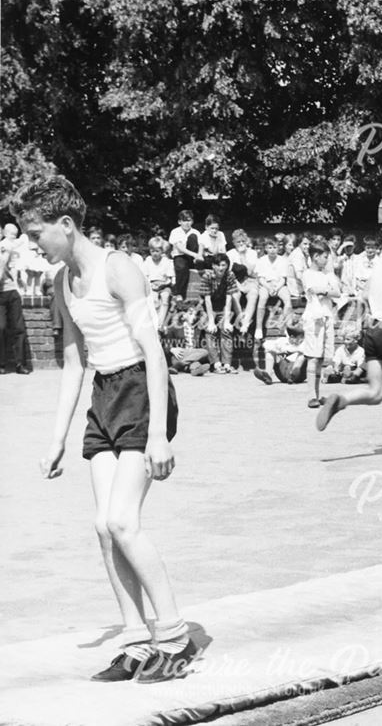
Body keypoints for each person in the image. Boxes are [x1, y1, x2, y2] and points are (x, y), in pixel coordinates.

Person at [10, 175, 197, 683]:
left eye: (35, 233)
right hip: (104, 396)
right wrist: (56, 440)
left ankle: (176, 639)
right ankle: (136, 641)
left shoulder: (119, 268)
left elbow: (154, 354)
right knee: (102, 525)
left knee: (122, 522)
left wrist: (158, 432)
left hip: (141, 393)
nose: (31, 243)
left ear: (65, 226)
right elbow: (74, 364)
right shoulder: (60, 281)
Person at [315, 220, 382, 457]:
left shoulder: (381, 262)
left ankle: (340, 400)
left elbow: (364, 295)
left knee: (376, 392)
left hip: (373, 330)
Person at [301, 243, 339, 406]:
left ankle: (317, 394)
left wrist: (325, 290)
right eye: (325, 257)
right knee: (313, 357)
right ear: (315, 257)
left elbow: (337, 292)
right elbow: (313, 289)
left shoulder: (329, 274)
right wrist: (326, 290)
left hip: (327, 316)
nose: (327, 260)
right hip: (314, 318)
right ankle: (311, 396)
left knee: (323, 357)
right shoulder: (307, 274)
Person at [200, 253, 239, 373]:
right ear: (213, 266)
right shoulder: (207, 276)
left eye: (223, 265)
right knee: (209, 330)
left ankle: (227, 364)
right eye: (218, 265)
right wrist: (211, 321)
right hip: (208, 307)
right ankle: (216, 364)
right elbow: (207, 300)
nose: (221, 268)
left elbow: (229, 299)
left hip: (223, 306)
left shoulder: (230, 275)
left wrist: (226, 321)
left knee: (225, 329)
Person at [0, 224, 30, 373]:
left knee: (19, 328)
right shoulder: (3, 249)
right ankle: (1, 364)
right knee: (1, 327)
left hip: (12, 292)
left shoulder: (7, 247)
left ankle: (20, 364)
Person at [252, 236, 291, 341]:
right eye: (270, 247)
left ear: (278, 248)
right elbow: (261, 279)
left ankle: (284, 326)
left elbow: (283, 279)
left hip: (279, 285)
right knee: (263, 298)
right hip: (266, 284)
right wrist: (269, 287)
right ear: (266, 249)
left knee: (287, 300)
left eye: (274, 247)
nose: (272, 250)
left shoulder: (283, 260)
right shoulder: (262, 260)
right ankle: (259, 327)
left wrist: (277, 287)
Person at [165, 301, 210, 377]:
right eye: (190, 313)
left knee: (202, 354)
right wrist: (172, 349)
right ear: (182, 316)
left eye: (194, 314)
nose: (194, 316)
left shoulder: (197, 328)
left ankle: (183, 367)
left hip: (193, 354)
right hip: (180, 354)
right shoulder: (174, 328)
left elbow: (202, 344)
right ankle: (191, 368)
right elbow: (165, 345)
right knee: (200, 356)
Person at [142, 236, 175, 331]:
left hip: (164, 285)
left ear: (162, 251)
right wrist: (151, 284)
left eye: (157, 251)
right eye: (152, 251)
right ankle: (155, 322)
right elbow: (145, 276)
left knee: (165, 298)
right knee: (154, 300)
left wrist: (163, 284)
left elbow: (170, 279)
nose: (155, 254)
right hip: (152, 285)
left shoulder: (166, 261)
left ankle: (160, 323)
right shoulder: (148, 260)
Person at [168, 210, 201, 300]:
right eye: (184, 221)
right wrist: (195, 255)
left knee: (193, 237)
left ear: (192, 221)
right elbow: (180, 248)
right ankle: (179, 293)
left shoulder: (196, 232)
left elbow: (201, 245)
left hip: (192, 256)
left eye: (189, 220)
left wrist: (198, 255)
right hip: (180, 256)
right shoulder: (175, 232)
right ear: (180, 222)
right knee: (181, 267)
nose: (187, 223)